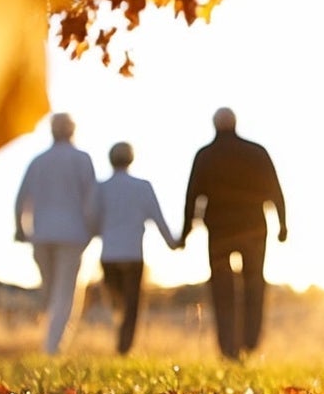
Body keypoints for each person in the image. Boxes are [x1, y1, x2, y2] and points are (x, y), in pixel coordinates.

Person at [180, 107, 287, 360]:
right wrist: (282, 225)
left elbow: (192, 196)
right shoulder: (256, 152)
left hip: (219, 231)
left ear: (215, 125)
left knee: (222, 288)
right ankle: (250, 341)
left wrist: (185, 232)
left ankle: (228, 347)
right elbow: (275, 190)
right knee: (254, 283)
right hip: (254, 228)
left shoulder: (205, 155)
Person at [13, 112, 99, 354]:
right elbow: (91, 199)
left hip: (41, 235)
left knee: (50, 290)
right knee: (63, 292)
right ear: (72, 131)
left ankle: (50, 342)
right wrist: (92, 228)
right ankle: (53, 347)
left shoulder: (38, 161)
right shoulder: (82, 160)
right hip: (72, 235)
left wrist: (21, 229)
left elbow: (21, 199)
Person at [94, 141, 178, 355]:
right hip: (132, 254)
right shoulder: (142, 187)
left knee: (117, 303)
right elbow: (158, 218)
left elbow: (91, 220)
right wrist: (172, 242)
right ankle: (124, 347)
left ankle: (119, 342)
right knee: (131, 305)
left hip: (109, 254)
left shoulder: (100, 188)